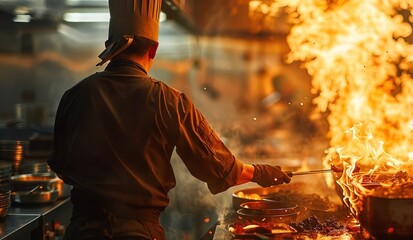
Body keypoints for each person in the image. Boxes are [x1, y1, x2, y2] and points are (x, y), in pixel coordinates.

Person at [47, 0, 291, 239]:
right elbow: (221, 169)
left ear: (109, 46)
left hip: (82, 230)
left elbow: (60, 165)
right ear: (153, 49)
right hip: (139, 233)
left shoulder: (75, 95)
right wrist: (260, 172)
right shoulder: (169, 100)